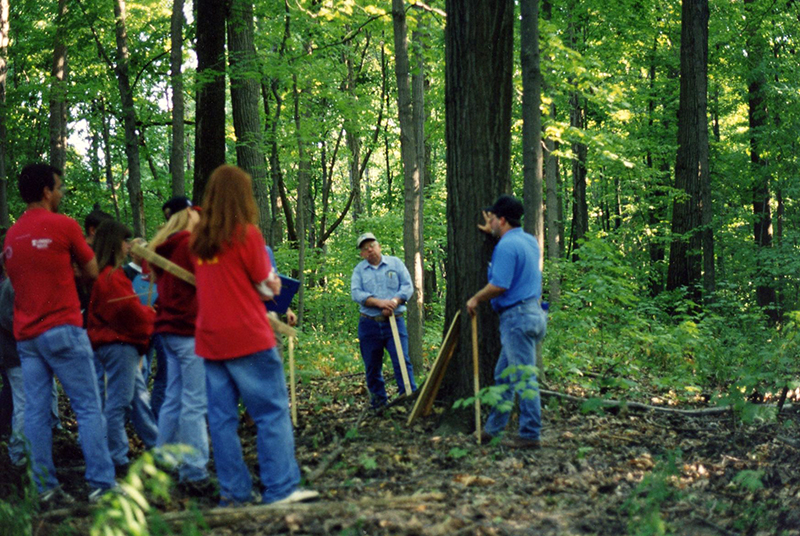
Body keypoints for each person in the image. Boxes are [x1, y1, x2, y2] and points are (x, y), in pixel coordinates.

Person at [190, 164, 317, 506]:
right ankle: (281, 488)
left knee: (221, 420)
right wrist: (272, 284)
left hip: (210, 339)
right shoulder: (246, 234)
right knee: (272, 411)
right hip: (247, 334)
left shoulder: (200, 240)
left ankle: (233, 493)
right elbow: (266, 284)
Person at [3, 164, 116, 503]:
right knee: (87, 406)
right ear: (46, 192)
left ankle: (44, 488)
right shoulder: (64, 226)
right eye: (59, 187)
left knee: (35, 412)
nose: (61, 193)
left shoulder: (11, 235)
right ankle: (102, 485)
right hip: (63, 329)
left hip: (27, 337)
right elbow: (93, 271)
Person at [466, 195, 547, 449]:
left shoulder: (506, 247)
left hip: (517, 319)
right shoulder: (529, 241)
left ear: (502, 220)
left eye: (492, 218)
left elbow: (500, 284)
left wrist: (476, 299)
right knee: (504, 375)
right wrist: (493, 234)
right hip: (534, 314)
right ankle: (492, 430)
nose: (488, 222)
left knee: (523, 378)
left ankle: (531, 434)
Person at [149, 205, 211, 493]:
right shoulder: (188, 245)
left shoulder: (164, 247)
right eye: (199, 213)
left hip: (169, 331)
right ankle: (194, 467)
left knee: (174, 397)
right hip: (186, 331)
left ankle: (162, 460)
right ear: (189, 216)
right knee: (194, 401)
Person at [87, 221, 157, 474]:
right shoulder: (111, 277)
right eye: (125, 241)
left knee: (138, 400)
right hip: (118, 346)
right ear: (115, 243)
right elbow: (128, 314)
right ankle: (117, 458)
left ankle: (156, 447)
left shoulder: (109, 274)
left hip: (116, 345)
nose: (128, 246)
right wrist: (149, 316)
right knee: (119, 403)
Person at [350, 232, 417, 410]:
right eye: (365, 249)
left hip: (395, 321)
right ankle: (379, 404)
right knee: (372, 365)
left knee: (402, 360)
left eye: (372, 245)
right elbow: (356, 293)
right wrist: (380, 303)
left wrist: (394, 302)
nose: (370, 250)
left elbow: (407, 286)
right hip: (369, 323)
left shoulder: (395, 263)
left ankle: (409, 399)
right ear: (362, 254)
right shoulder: (359, 270)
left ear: (379, 246)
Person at [124, 238, 167, 418]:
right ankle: (137, 413)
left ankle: (155, 413)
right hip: (141, 328)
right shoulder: (132, 275)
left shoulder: (165, 275)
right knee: (142, 370)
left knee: (164, 371)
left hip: (161, 327)